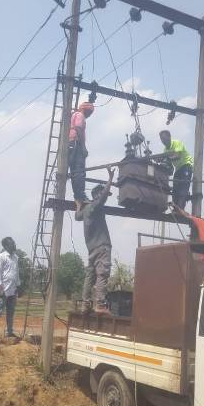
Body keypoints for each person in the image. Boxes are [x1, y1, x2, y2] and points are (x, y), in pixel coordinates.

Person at [75, 167, 115, 314]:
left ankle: (85, 304)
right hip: (102, 247)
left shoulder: (86, 210)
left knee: (90, 276)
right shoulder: (95, 206)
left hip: (92, 249)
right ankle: (100, 304)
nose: (106, 197)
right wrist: (110, 178)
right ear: (97, 195)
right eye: (104, 194)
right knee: (102, 274)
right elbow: (103, 196)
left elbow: (77, 216)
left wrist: (78, 205)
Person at [0, 237, 21, 345]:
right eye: (12, 243)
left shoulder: (15, 257)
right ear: (6, 246)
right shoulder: (1, 257)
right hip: (4, 290)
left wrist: (18, 286)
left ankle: (9, 333)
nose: (14, 245)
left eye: (14, 243)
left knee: (10, 312)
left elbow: (16, 273)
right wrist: (0, 287)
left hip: (13, 290)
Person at [159, 130, 193, 209]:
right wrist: (161, 161)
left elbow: (177, 156)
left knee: (183, 188)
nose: (163, 141)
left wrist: (166, 158)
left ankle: (180, 209)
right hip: (178, 169)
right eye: (161, 139)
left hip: (186, 165)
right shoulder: (165, 150)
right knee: (175, 190)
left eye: (164, 138)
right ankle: (176, 208)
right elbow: (169, 163)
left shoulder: (177, 143)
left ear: (169, 137)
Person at [69, 101, 94, 203]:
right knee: (79, 171)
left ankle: (78, 196)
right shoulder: (80, 115)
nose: (89, 115)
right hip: (76, 143)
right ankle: (80, 196)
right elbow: (78, 128)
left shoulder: (74, 115)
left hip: (71, 143)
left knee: (74, 172)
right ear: (85, 110)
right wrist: (83, 147)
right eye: (89, 112)